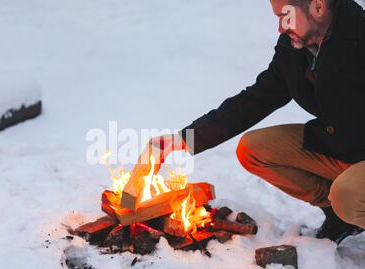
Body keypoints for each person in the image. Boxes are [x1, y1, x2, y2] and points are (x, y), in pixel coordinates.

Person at [150, 0, 365, 245]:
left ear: (318, 6)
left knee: (349, 194)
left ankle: (348, 200)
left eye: (286, 15)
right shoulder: (295, 46)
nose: (280, 28)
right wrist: (184, 138)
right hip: (341, 147)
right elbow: (257, 98)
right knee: (253, 149)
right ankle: (339, 214)